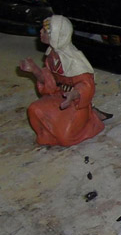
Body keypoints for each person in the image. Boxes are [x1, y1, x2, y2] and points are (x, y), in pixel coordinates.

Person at [20, 15, 107, 147]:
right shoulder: (51, 56)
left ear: (56, 35)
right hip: (58, 97)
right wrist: (35, 70)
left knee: (66, 138)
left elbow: (87, 84)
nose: (41, 32)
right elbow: (50, 84)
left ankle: (91, 122)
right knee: (34, 109)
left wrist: (74, 94)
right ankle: (48, 135)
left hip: (76, 104)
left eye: (45, 31)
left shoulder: (75, 61)